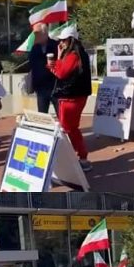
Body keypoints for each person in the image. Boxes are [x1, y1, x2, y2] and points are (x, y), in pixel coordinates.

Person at [47, 24, 93, 172]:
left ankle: (74, 158)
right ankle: (82, 157)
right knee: (72, 129)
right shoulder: (81, 54)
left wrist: (57, 60)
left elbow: (61, 73)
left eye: (64, 40)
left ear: (71, 40)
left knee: (67, 129)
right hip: (77, 96)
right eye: (60, 40)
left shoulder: (73, 55)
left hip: (70, 98)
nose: (61, 43)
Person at [28, 24, 59, 114]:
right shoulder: (34, 48)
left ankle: (63, 128)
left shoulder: (55, 45)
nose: (35, 36)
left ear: (44, 33)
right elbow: (31, 65)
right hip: (41, 88)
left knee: (61, 114)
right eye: (34, 34)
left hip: (55, 86)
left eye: (37, 34)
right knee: (42, 114)